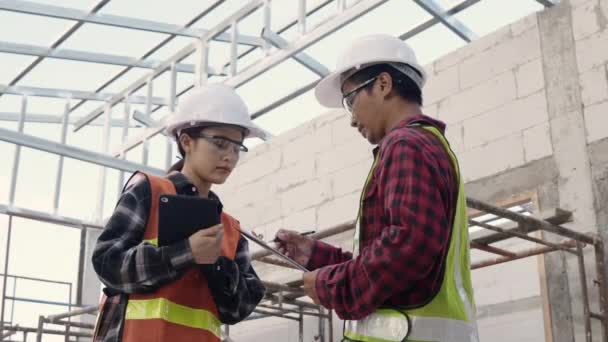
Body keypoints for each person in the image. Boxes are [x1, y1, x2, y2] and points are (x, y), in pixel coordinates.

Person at [275, 34, 479, 341]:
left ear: (383, 84)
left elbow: (407, 248)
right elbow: (391, 261)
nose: (352, 119)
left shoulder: (406, 145)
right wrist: (316, 255)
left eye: (350, 100)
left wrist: (332, 286)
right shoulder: (425, 146)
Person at [92, 84, 268, 342]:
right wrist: (185, 252)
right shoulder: (148, 192)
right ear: (186, 141)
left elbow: (238, 308)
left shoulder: (230, 230)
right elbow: (107, 263)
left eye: (236, 147)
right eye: (219, 143)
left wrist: (216, 265)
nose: (229, 156)